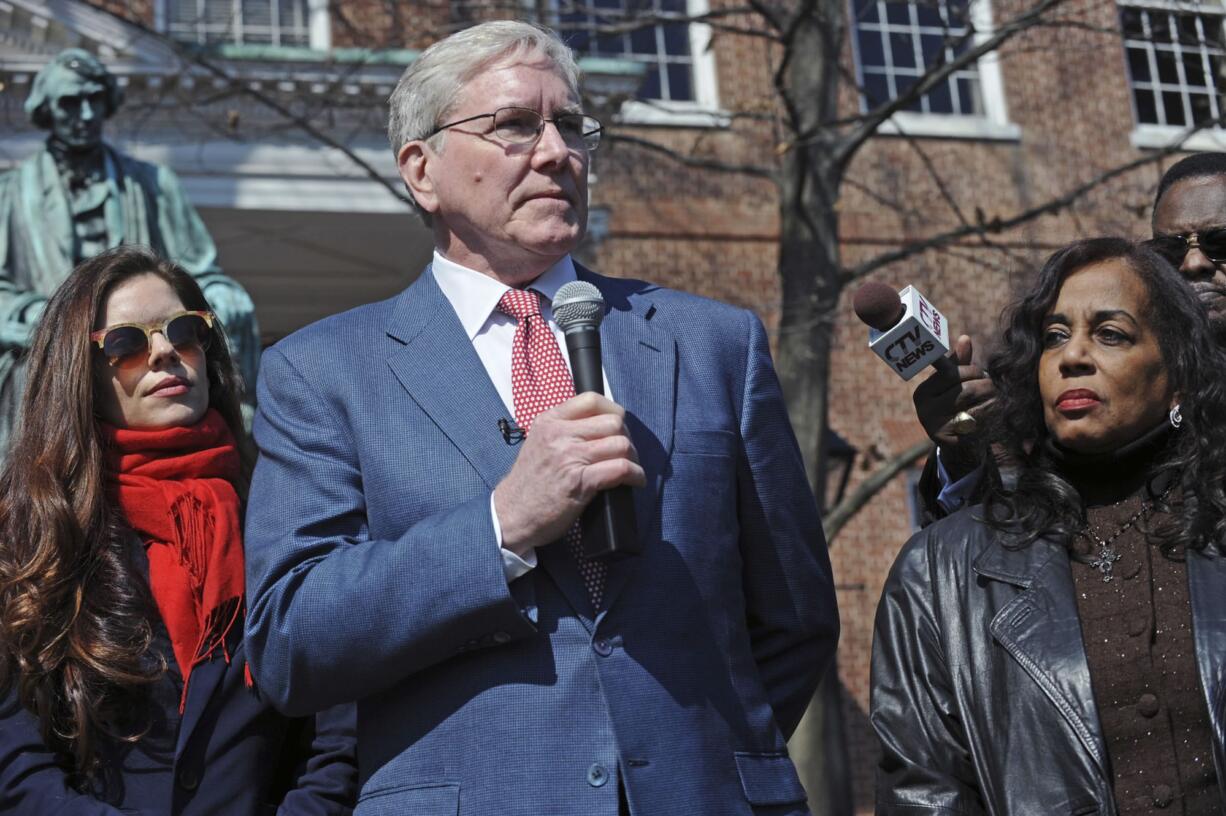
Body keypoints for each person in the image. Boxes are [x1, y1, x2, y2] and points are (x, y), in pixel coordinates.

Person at [242, 20, 838, 816]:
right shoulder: (321, 372)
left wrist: (703, 760)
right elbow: (290, 642)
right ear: (422, 169)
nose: (558, 151)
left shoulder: (714, 344)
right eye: (517, 125)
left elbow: (792, 617)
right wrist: (501, 528)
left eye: (571, 124)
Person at [871, 238, 1226, 814]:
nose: (1073, 357)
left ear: (1179, 379)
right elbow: (924, 792)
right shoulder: (937, 572)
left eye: (1110, 334)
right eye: (1055, 337)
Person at [0, 246, 356, 813]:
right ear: (79, 371)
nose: (164, 352)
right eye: (125, 344)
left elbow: (337, 742)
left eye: (184, 330)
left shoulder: (286, 515)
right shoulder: (31, 532)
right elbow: (14, 761)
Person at [911, 151, 1226, 522]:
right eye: (1170, 248)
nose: (1193, 263)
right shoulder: (1079, 402)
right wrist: (963, 455)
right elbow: (1000, 557)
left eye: (1220, 241)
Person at [0, 48, 261, 447]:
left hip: (143, 342)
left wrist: (222, 291)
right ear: (48, 110)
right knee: (30, 374)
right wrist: (46, 318)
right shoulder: (9, 193)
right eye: (71, 103)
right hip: (50, 349)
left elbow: (197, 269)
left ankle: (232, 464)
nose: (86, 115)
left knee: (208, 334)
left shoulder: (155, 185)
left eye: (94, 100)